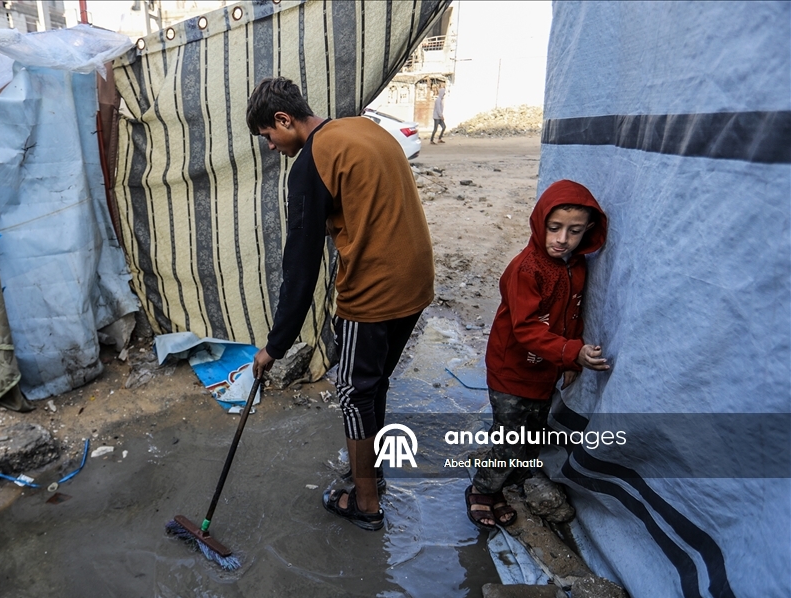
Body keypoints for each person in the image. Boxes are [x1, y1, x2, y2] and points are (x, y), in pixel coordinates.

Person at [246, 77, 434, 531]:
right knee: (374, 384)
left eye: (269, 137)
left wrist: (275, 346)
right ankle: (369, 471)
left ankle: (365, 502)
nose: (272, 148)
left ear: (283, 120)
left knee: (352, 391)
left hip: (374, 291)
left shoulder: (312, 163)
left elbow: (301, 266)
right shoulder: (362, 129)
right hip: (416, 281)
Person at [466, 179, 610, 528]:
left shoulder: (575, 266)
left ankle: (506, 488)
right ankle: (482, 491)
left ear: (589, 230)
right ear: (539, 223)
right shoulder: (527, 270)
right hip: (511, 370)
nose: (563, 239)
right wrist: (572, 352)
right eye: (555, 228)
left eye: (574, 231)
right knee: (510, 440)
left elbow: (573, 313)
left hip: (544, 372)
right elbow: (526, 329)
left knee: (531, 436)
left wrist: (566, 359)